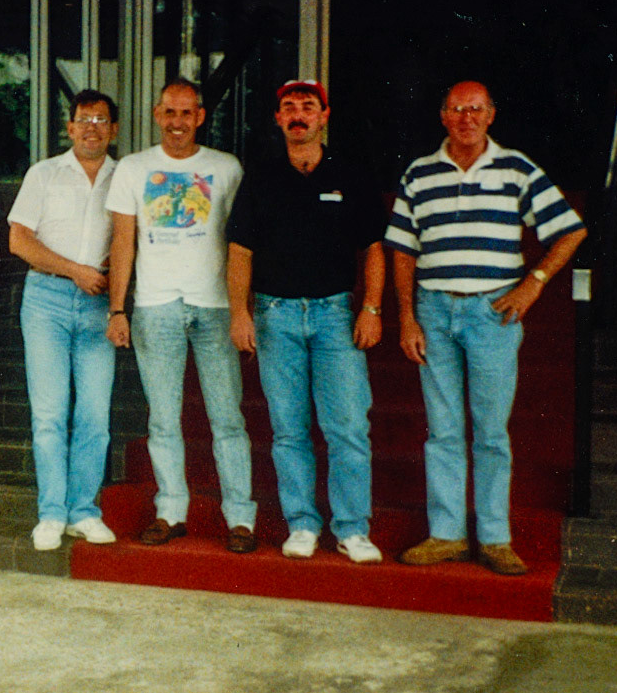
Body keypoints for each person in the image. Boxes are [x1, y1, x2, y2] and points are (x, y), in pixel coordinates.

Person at [385, 80, 586, 575]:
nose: (466, 118)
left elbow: (571, 229)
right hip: (434, 310)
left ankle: (495, 538)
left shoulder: (516, 169)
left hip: (491, 314)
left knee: (491, 431)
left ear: (491, 115)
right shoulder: (420, 173)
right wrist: (407, 316)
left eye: (475, 109)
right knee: (444, 429)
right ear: (443, 116)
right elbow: (403, 250)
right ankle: (447, 534)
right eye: (457, 109)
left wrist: (534, 282)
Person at [226, 79, 387, 564]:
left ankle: (353, 529)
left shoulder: (350, 175)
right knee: (289, 429)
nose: (299, 114)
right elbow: (239, 250)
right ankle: (301, 523)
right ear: (278, 119)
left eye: (308, 107)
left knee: (348, 428)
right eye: (289, 108)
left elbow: (374, 248)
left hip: (336, 315)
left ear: (324, 116)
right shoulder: (261, 176)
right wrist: (240, 312)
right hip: (275, 316)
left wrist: (372, 308)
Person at [105, 78, 259, 554]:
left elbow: (242, 245)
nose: (177, 123)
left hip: (214, 306)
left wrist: (241, 309)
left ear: (201, 116)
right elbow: (123, 242)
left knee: (227, 417)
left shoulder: (225, 168)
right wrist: (118, 307)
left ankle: (240, 518)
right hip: (155, 306)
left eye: (186, 113)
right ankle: (171, 511)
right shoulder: (133, 169)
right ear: (156, 114)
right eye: (169, 113)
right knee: (163, 419)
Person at [7, 89, 122, 551]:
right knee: (51, 413)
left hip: (100, 304)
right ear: (70, 128)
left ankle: (84, 512)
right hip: (47, 301)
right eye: (83, 118)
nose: (92, 126)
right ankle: (51, 513)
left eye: (101, 119)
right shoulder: (44, 174)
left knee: (95, 414)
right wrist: (76, 271)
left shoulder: (126, 177)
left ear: (113, 129)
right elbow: (20, 241)